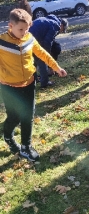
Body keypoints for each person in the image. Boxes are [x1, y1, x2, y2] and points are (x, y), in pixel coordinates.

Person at [0, 9, 67, 161]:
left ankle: (26, 148)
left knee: (28, 115)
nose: (24, 32)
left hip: (29, 83)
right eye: (20, 29)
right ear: (11, 26)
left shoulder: (29, 38)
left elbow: (42, 53)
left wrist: (56, 67)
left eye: (27, 28)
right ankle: (8, 136)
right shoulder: (2, 42)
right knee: (14, 117)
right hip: (9, 87)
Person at [29, 15, 68, 88]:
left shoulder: (50, 20)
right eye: (63, 30)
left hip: (27, 37)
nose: (61, 31)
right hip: (33, 39)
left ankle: (35, 79)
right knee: (42, 60)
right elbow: (47, 43)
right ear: (62, 25)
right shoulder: (55, 26)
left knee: (33, 60)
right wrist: (48, 58)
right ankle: (45, 83)